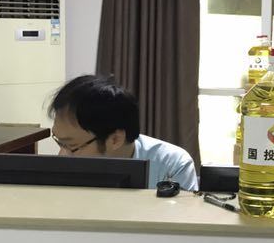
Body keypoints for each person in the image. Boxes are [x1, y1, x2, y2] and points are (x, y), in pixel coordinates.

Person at [48, 74, 199, 191]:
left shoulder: (172, 165)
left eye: (72, 146)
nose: (62, 155)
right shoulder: (65, 167)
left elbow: (180, 219)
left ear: (115, 139)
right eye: (60, 142)